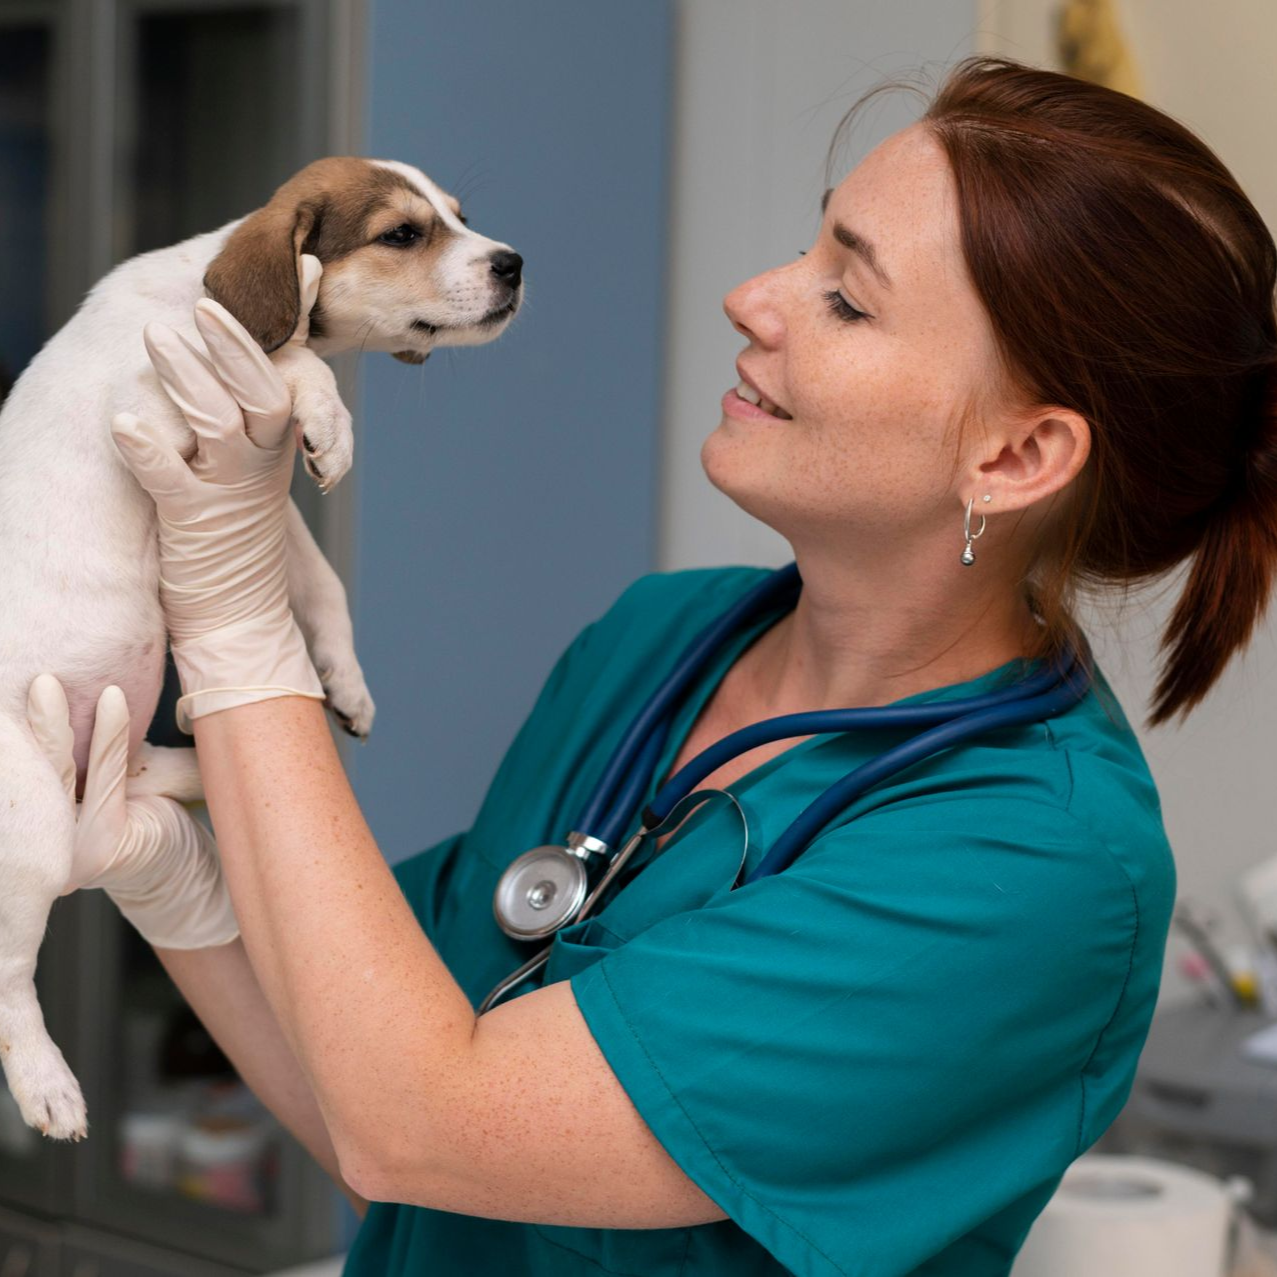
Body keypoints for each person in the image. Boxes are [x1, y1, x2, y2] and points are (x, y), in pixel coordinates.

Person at [24, 55, 1277, 1275]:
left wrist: (243, 623)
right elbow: (362, 1099)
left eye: (845, 296)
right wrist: (181, 887)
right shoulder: (660, 639)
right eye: (807, 243)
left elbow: (422, 1126)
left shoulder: (1031, 869)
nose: (753, 296)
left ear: (1011, 459)